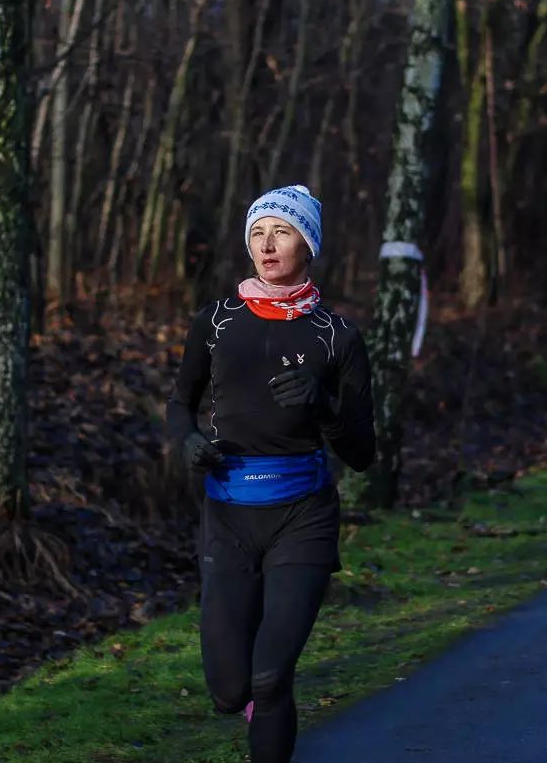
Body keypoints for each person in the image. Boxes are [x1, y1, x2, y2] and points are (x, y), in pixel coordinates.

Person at [166, 184, 376, 763]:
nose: (267, 244)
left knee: (269, 678)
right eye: (258, 233)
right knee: (230, 691)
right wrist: (184, 441)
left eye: (282, 231)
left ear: (307, 243)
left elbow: (362, 452)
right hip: (228, 515)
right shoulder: (215, 320)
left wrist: (324, 406)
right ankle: (255, 705)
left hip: (301, 518)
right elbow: (179, 401)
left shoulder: (338, 336)